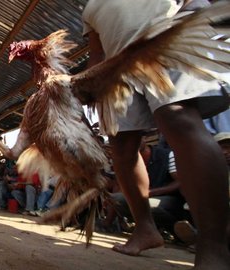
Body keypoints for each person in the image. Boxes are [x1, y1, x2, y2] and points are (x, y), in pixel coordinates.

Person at [83, 0, 230, 268]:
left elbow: (196, 6)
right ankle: (144, 228)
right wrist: (91, 84)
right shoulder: (90, 8)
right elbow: (96, 53)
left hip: (165, 42)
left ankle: (214, 245)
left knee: (177, 119)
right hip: (116, 70)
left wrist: (188, 33)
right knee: (121, 147)